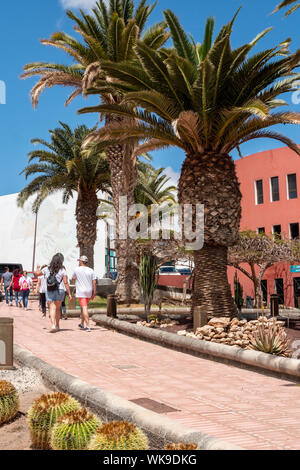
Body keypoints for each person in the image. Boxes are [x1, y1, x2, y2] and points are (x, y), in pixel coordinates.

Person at [36, 253, 72, 333]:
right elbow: (66, 282)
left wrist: (38, 268)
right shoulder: (63, 270)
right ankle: (58, 325)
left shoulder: (46, 269)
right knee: (58, 308)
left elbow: (37, 274)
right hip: (60, 290)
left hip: (50, 290)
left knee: (52, 308)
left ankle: (52, 325)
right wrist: (69, 293)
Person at [71, 256, 97, 332]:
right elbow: (94, 282)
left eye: (79, 261)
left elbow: (72, 278)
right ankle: (82, 323)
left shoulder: (77, 269)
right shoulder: (91, 270)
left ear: (81, 261)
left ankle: (88, 325)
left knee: (84, 307)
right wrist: (94, 292)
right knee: (83, 307)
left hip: (81, 292)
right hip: (89, 291)